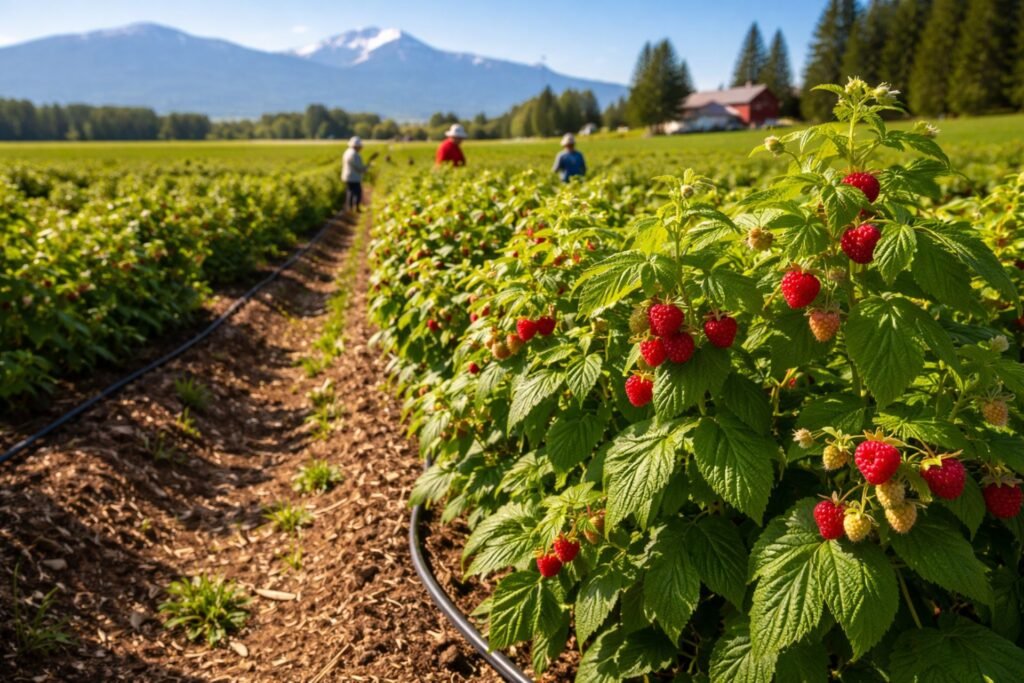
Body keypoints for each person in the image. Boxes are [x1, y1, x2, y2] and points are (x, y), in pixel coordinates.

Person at [341, 136, 377, 212]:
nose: (361, 148)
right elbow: (359, 168)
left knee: (349, 191)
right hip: (353, 177)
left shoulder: (347, 152)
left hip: (347, 176)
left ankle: (349, 207)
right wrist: (368, 166)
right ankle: (356, 208)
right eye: (360, 146)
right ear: (357, 146)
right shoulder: (355, 155)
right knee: (357, 192)